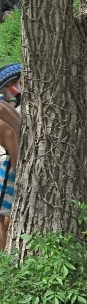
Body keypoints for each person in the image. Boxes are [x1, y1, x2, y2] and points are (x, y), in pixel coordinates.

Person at [0, 98, 20, 251]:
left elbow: (10, 133)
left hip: (14, 161)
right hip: (20, 155)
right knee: (6, 213)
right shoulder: (2, 104)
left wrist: (16, 165)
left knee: (0, 216)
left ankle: (2, 259)